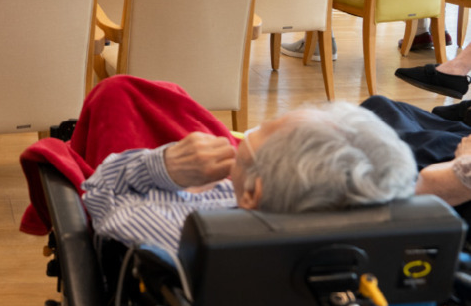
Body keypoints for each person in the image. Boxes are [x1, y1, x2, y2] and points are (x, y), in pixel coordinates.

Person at [81, 92, 416, 253]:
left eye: (264, 128)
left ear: (254, 193)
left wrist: (163, 165)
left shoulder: (182, 234)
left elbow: (98, 192)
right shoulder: (366, 231)